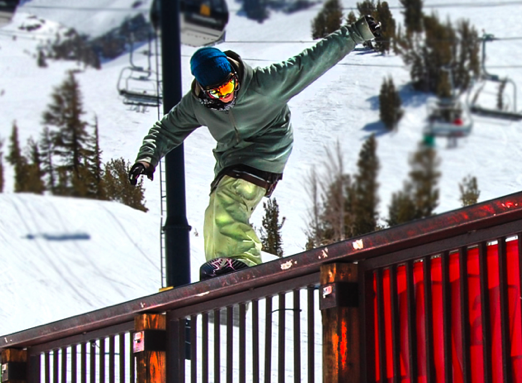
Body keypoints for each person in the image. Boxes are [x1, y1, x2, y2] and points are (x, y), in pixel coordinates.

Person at [129, 15, 381, 281]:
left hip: (267, 151)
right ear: (203, 90)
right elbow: (165, 129)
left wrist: (357, 32)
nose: (225, 95)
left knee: (230, 196)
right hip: (230, 162)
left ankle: (243, 261)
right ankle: (220, 268)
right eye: (216, 92)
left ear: (234, 75)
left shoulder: (265, 83)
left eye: (228, 86)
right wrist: (146, 158)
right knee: (214, 214)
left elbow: (312, 60)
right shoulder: (195, 105)